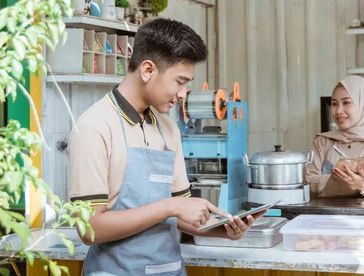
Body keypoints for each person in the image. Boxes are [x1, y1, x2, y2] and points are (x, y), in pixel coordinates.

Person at [69, 18, 262, 276]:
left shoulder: (168, 129)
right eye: (180, 82)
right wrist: (169, 206)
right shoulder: (94, 127)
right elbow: (88, 229)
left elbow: (182, 215)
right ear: (148, 70)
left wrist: (224, 229)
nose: (183, 93)